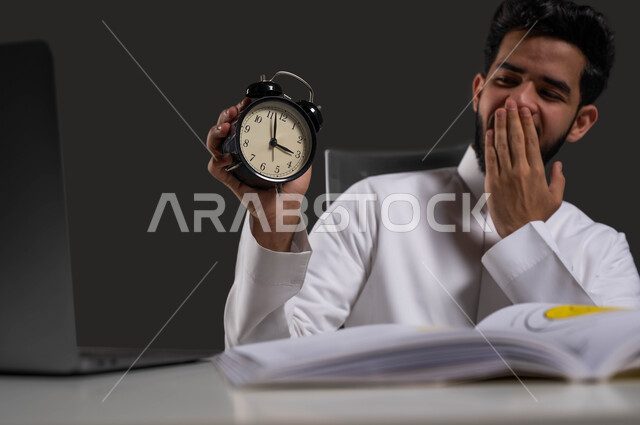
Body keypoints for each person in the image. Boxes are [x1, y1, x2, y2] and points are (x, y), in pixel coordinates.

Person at [207, 0, 640, 348]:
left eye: (548, 92)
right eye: (507, 79)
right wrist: (273, 223)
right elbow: (262, 358)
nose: (518, 102)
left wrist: (524, 234)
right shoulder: (371, 206)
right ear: (478, 91)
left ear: (580, 122)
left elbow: (612, 378)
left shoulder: (603, 250)